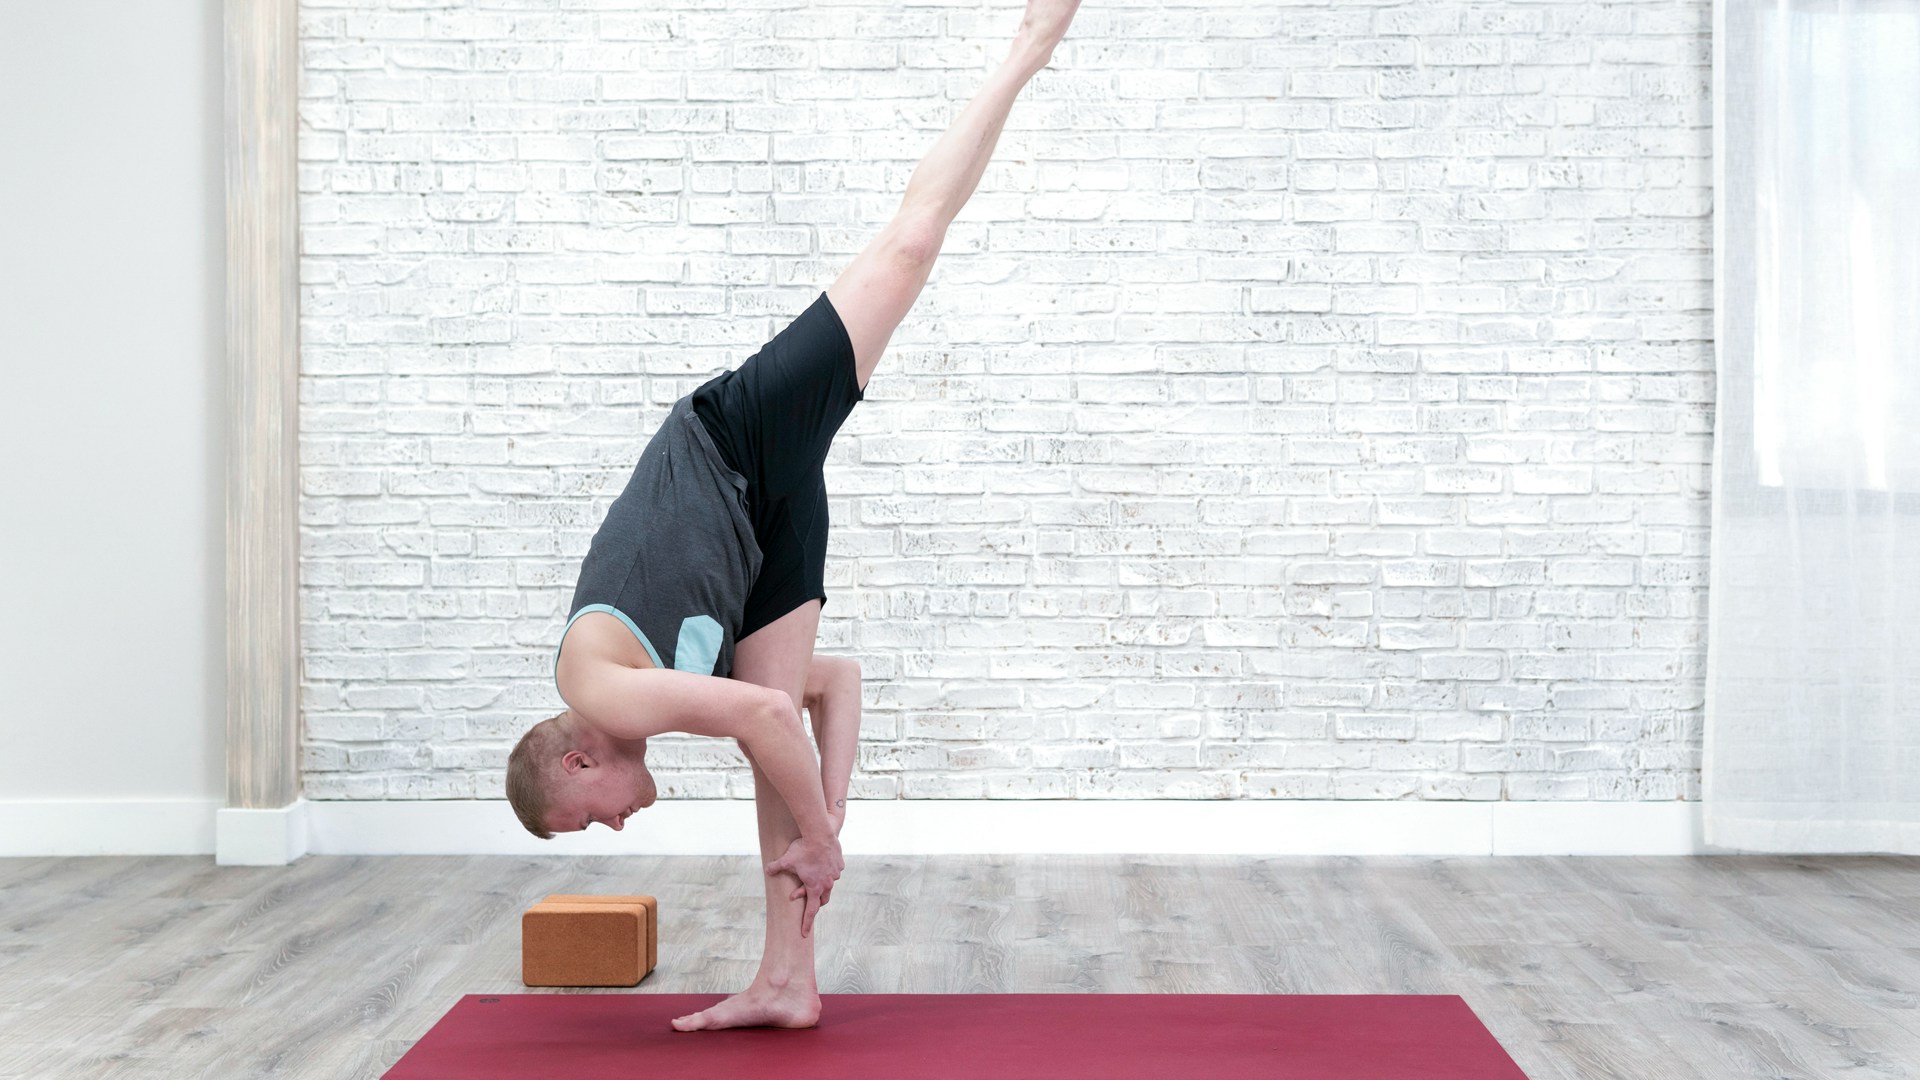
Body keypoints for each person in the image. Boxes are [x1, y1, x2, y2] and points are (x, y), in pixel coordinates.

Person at [503, 0, 1085, 1031]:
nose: (614, 831)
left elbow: (775, 718)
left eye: (587, 822)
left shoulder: (595, 687)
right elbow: (828, 688)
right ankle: (787, 980)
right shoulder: (656, 692)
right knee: (768, 731)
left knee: (907, 247)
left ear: (579, 762)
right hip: (763, 530)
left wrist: (820, 834)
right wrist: (829, 813)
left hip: (732, 442)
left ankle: (1029, 46)